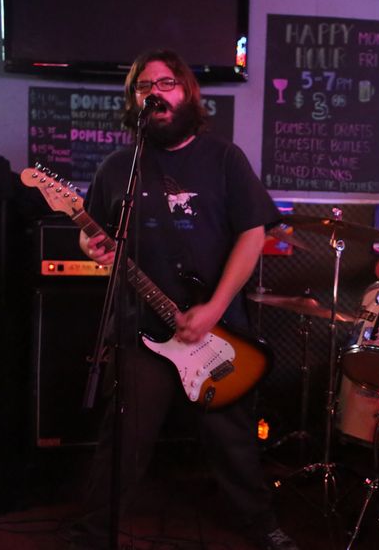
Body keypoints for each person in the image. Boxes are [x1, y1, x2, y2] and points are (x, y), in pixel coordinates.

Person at [69, 49, 298, 550]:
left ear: (187, 92)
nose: (155, 92)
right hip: (141, 327)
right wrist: (91, 244)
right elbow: (92, 232)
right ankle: (93, 536)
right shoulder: (119, 168)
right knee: (124, 439)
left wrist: (213, 309)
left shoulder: (223, 158)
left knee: (232, 438)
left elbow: (253, 234)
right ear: (134, 100)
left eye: (166, 83)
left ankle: (261, 525)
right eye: (144, 86)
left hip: (218, 326)